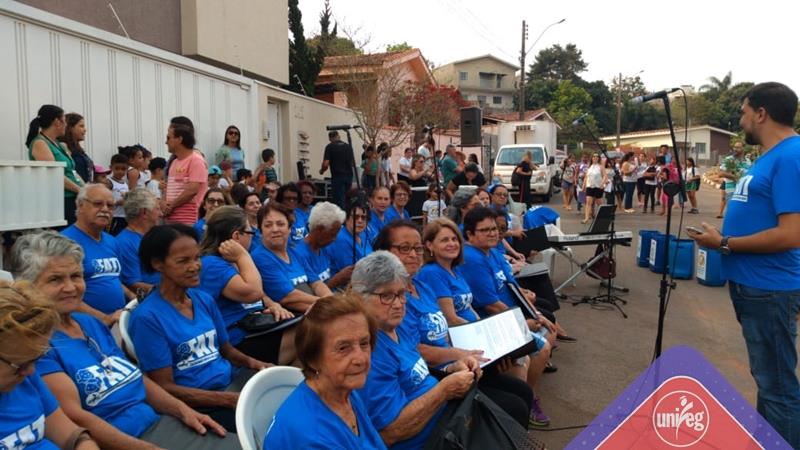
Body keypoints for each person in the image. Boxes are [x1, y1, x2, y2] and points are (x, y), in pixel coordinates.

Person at [10, 231, 238, 450]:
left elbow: (136, 378)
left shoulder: (90, 324)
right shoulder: (35, 348)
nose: (70, 287)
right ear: (26, 285)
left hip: (158, 422)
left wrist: (183, 410)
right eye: (55, 279)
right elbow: (75, 418)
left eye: (76, 276)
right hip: (126, 440)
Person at [688, 82, 800, 448]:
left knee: (778, 387)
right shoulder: (770, 156)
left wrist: (724, 242)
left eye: (743, 112)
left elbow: (791, 234)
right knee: (769, 382)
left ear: (762, 113)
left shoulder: (790, 156)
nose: (741, 119)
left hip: (770, 289)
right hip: (755, 288)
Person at [352, 251, 533, 448]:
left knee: (518, 398)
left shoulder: (395, 329)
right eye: (386, 296)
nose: (398, 303)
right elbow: (390, 432)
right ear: (360, 297)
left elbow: (416, 373)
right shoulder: (370, 351)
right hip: (433, 438)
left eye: (401, 294)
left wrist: (451, 369)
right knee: (513, 410)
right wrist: (445, 390)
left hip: (446, 413)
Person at [131, 224, 270, 432]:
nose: (195, 266)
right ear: (158, 264)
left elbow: (226, 350)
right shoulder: (147, 318)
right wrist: (227, 400)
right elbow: (164, 387)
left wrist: (257, 364)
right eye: (183, 261)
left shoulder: (203, 299)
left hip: (229, 384)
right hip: (200, 405)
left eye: (197, 258)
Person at [263, 294, 386, 449]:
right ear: (313, 359)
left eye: (364, 343)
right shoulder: (311, 436)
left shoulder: (343, 391)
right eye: (343, 348)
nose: (360, 359)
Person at [0, 281, 101, 450]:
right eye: (20, 365)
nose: (31, 371)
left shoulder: (24, 378)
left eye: (35, 360)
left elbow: (71, 435)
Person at [199, 206, 295, 365]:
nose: (253, 238)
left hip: (254, 327)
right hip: (238, 340)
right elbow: (253, 292)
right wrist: (243, 255)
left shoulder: (228, 261)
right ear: (237, 236)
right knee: (311, 335)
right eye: (250, 233)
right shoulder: (213, 264)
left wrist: (272, 304)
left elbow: (260, 296)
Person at [62, 184, 130, 323]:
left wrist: (134, 299)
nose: (105, 209)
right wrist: (105, 318)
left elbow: (112, 278)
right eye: (98, 204)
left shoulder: (112, 241)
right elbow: (64, 294)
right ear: (80, 206)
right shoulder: (64, 243)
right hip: (84, 324)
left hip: (117, 320)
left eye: (110, 205)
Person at [250, 203, 333, 313]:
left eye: (280, 224)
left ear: (289, 228)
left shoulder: (294, 252)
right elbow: (288, 297)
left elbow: (316, 283)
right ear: (260, 231)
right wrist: (326, 304)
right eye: (268, 225)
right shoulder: (260, 257)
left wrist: (329, 298)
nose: (275, 229)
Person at [27, 104, 85, 225]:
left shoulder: (60, 144)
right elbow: (54, 175)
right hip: (61, 199)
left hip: (74, 197)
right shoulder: (40, 143)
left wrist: (86, 189)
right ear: (56, 122)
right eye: (64, 121)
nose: (66, 125)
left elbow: (72, 171)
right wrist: (79, 190)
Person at [417, 219, 479, 325]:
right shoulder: (431, 272)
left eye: (454, 239)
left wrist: (482, 324)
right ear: (429, 245)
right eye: (445, 240)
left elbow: (468, 307)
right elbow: (451, 319)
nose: (452, 244)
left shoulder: (455, 269)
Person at [293, 202, 353, 290]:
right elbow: (309, 296)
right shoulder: (298, 255)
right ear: (319, 229)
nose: (334, 239)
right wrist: (337, 280)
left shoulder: (324, 248)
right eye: (332, 234)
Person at [116, 189, 162, 296]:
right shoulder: (125, 243)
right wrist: (169, 292)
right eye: (157, 209)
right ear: (145, 212)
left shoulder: (153, 236)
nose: (161, 213)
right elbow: (132, 284)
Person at [164, 123, 208, 224]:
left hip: (189, 222)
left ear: (179, 139)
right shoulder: (174, 162)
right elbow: (168, 189)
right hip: (172, 220)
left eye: (168, 138)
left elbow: (192, 190)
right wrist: (163, 203)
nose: (166, 142)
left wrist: (171, 206)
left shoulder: (196, 160)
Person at [324, 202, 372, 280]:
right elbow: (351, 274)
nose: (360, 221)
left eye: (364, 217)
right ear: (346, 218)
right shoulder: (340, 239)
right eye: (356, 217)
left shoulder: (363, 234)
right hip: (343, 287)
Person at [320, 131, 355, 209]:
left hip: (338, 177)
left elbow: (326, 164)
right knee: (347, 200)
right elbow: (352, 163)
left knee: (339, 202)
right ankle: (347, 217)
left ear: (330, 138)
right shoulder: (348, 146)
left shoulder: (330, 147)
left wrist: (322, 171)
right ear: (338, 136)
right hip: (349, 177)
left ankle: (341, 219)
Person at [717, 141, 751, 219]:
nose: (735, 149)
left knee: (742, 214)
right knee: (733, 212)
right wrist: (735, 177)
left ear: (743, 148)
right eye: (734, 147)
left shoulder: (748, 161)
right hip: (732, 190)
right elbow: (720, 173)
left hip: (744, 192)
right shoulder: (729, 159)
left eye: (738, 147)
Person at [60, 112, 93, 184]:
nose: (85, 130)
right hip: (74, 191)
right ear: (70, 128)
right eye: (81, 126)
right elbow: (71, 173)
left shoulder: (79, 150)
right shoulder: (63, 148)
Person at [108, 153, 131, 235]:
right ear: (111, 168)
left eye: (123, 169)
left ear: (127, 169)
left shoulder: (125, 183)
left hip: (124, 216)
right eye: (117, 168)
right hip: (114, 217)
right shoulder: (109, 182)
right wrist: (117, 202)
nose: (120, 171)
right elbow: (105, 200)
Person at [581, 153, 606, 224]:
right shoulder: (589, 167)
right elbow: (586, 177)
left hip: (598, 186)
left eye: (596, 157)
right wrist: (583, 187)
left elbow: (605, 176)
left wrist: (602, 183)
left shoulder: (601, 167)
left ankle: (603, 217)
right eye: (594, 156)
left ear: (598, 158)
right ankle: (586, 218)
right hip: (590, 186)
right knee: (588, 202)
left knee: (599, 203)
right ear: (592, 158)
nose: (595, 158)